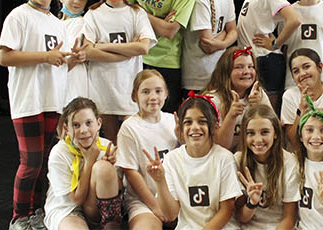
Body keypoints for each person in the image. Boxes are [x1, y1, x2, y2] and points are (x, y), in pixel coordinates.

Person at [1, 0, 71, 229]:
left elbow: (60, 61)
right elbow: (5, 57)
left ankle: (37, 213)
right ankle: (19, 216)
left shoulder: (58, 24)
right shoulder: (19, 16)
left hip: (53, 100)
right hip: (28, 100)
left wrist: (73, 59)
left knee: (45, 163)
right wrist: (45, 57)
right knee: (30, 163)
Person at [78, 0, 155, 141]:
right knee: (111, 141)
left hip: (129, 87)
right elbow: (87, 51)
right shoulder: (93, 14)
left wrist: (103, 46)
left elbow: (143, 47)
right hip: (102, 87)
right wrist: (127, 52)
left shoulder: (136, 13)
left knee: (131, 139)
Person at [142, 95, 243, 229]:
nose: (195, 127)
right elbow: (170, 215)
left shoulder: (224, 158)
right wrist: (160, 181)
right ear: (180, 128)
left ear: (214, 126)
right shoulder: (172, 159)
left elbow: (227, 210)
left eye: (202, 121)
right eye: (188, 122)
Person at [43, 98, 124, 229]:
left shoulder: (106, 146)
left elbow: (119, 190)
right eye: (76, 125)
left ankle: (111, 226)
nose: (83, 130)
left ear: (99, 123)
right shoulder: (59, 153)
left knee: (104, 168)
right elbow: (76, 200)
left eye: (88, 123)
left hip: (96, 210)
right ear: (66, 128)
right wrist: (89, 161)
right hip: (67, 209)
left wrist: (110, 171)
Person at [114, 69, 178, 229]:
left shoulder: (172, 121)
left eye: (158, 91)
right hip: (143, 200)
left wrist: (182, 139)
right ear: (135, 96)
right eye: (146, 92)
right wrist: (155, 206)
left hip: (174, 196)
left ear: (166, 94)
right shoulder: (129, 127)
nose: (153, 97)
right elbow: (131, 172)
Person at [181, 0, 237, 94]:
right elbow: (208, 45)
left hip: (219, 71)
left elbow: (234, 30)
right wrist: (225, 36)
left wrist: (221, 41)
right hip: (198, 75)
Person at [231, 105, 300, 229]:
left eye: (265, 132)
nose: (258, 140)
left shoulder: (289, 163)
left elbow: (289, 218)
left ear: (275, 134)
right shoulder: (238, 160)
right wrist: (252, 203)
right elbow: (241, 218)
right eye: (251, 133)